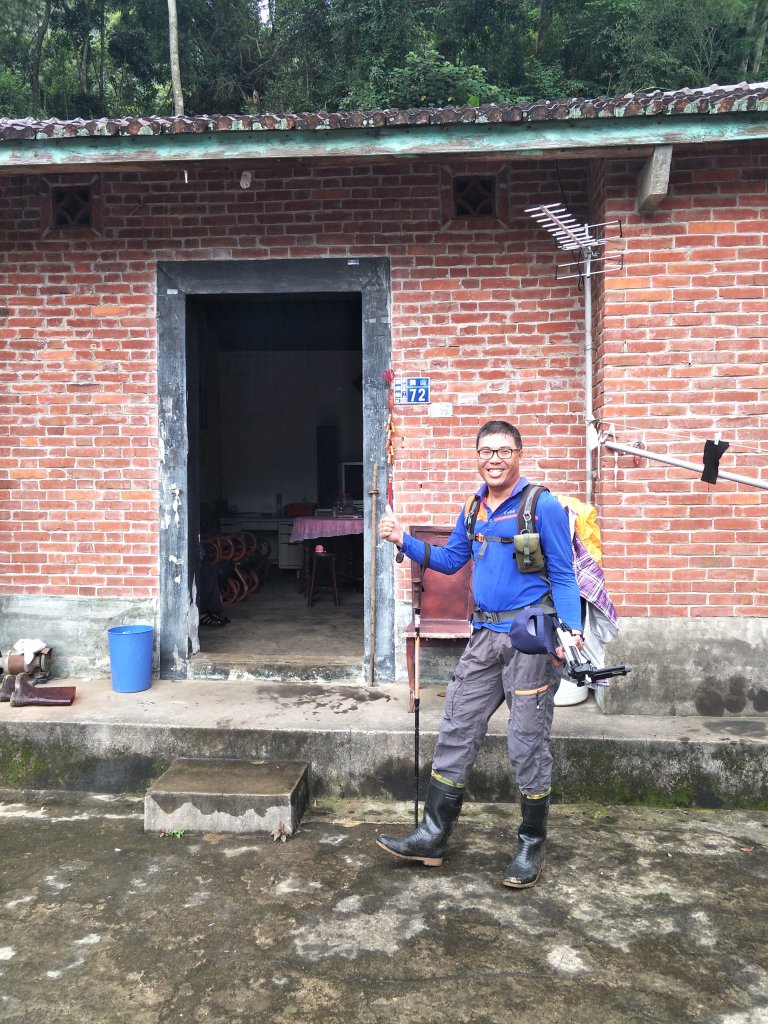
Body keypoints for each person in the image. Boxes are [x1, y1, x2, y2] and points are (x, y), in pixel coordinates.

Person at [376, 420, 583, 888]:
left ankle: (531, 842)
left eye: (504, 451)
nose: (494, 459)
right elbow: (451, 561)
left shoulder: (540, 505)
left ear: (519, 455)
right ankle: (433, 834)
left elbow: (565, 575)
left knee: (527, 741)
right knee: (456, 726)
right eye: (486, 451)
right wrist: (402, 540)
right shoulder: (473, 507)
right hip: (482, 636)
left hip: (528, 637)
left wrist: (569, 631)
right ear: (476, 455)